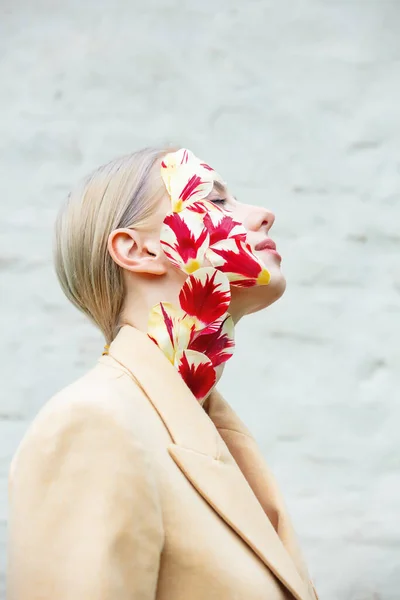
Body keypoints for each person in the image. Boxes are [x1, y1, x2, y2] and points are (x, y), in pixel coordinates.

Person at [7, 147, 319, 600]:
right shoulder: (95, 424)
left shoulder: (210, 430)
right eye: (215, 201)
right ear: (138, 250)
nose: (263, 214)